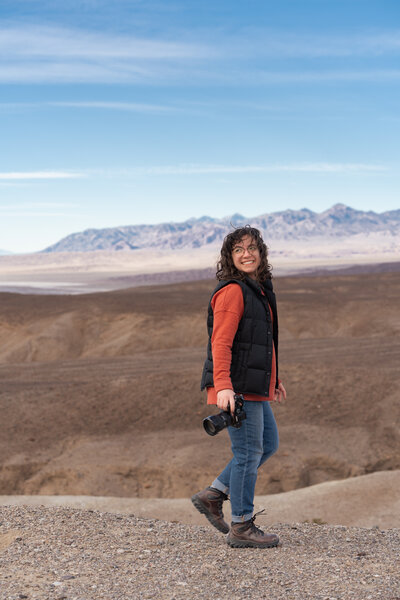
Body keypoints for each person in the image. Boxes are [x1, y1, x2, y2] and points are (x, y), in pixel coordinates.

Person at [191, 226, 286, 548]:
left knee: (268, 444)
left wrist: (275, 380)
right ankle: (241, 525)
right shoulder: (233, 291)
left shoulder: (257, 289)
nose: (247, 254)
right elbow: (221, 343)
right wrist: (223, 387)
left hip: (254, 384)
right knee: (248, 453)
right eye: (239, 250)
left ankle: (214, 494)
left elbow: (261, 343)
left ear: (262, 252)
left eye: (252, 248)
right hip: (236, 387)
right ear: (230, 257)